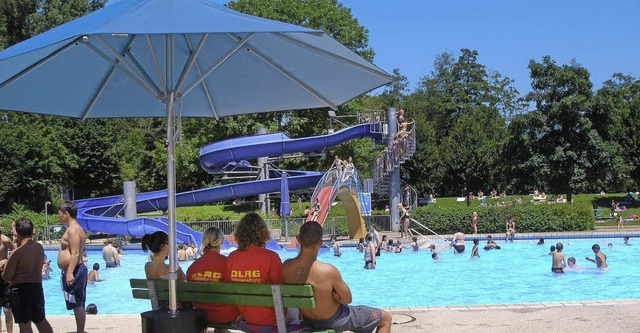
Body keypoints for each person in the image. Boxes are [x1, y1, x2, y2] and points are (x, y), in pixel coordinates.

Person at [283, 221, 391, 333]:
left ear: (298, 239)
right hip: (335, 320)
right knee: (385, 317)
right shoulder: (327, 270)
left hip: (308, 320)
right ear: (320, 243)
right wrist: (336, 298)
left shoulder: (286, 267)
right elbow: (348, 299)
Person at [226, 213, 284, 327]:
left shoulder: (232, 258)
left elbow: (229, 287)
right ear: (263, 233)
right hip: (270, 317)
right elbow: (280, 288)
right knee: (296, 309)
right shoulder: (271, 257)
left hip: (245, 315)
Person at [2, 218, 53, 333]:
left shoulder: (17, 252)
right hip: (36, 287)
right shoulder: (39, 248)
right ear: (33, 231)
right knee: (41, 320)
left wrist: (5, 264)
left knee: (24, 324)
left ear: (17, 233)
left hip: (20, 290)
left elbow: (7, 276)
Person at [187, 227, 238, 332]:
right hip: (225, 315)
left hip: (201, 314)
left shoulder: (193, 266)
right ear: (222, 241)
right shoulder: (228, 263)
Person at [57, 201, 87, 333]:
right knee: (77, 303)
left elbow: (75, 253)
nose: (59, 217)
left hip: (74, 270)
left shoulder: (73, 230)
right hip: (75, 269)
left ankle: (80, 331)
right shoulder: (74, 228)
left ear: (66, 213)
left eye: (60, 214)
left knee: (77, 303)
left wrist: (69, 272)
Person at [141, 231, 189, 310]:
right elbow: (185, 280)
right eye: (169, 243)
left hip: (159, 306)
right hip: (174, 307)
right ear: (163, 246)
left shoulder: (147, 266)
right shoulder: (172, 268)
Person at [0, 225, 16, 333]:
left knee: (7, 309)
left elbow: (15, 251)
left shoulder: (4, 240)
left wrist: (6, 261)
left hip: (3, 278)